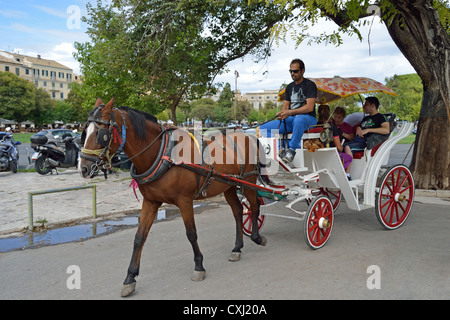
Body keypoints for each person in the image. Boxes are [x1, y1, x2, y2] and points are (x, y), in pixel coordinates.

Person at [259, 59, 317, 163]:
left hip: (308, 118)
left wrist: (289, 112)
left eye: (295, 71)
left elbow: (309, 108)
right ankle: (280, 149)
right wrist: (282, 113)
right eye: (290, 71)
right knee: (263, 128)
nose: (292, 73)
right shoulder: (289, 87)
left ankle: (291, 150)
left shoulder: (310, 85)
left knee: (299, 118)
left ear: (302, 70)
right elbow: (285, 106)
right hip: (291, 119)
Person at [343, 97, 389, 179]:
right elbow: (359, 127)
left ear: (373, 106)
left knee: (347, 147)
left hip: (366, 143)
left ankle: (347, 174)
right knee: (338, 146)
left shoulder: (380, 117)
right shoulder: (366, 118)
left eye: (366, 104)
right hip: (356, 140)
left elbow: (386, 130)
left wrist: (368, 130)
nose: (364, 106)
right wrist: (358, 128)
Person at [317, 105, 352, 171]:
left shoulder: (313, 125)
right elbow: (339, 148)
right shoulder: (332, 127)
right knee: (349, 157)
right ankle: (347, 173)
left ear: (318, 114)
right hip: (329, 156)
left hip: (316, 155)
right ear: (329, 114)